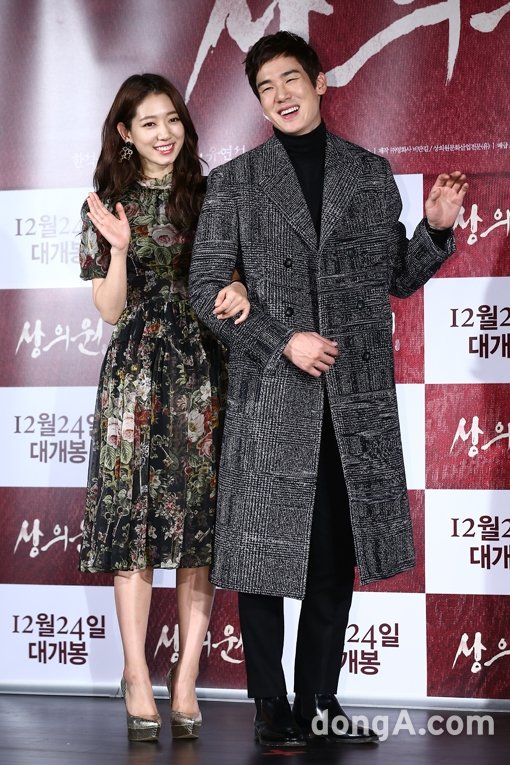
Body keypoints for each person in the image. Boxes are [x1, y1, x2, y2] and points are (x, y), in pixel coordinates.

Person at [189, 32, 468, 748]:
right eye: (265, 88)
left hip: (352, 400)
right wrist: (282, 338)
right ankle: (269, 705)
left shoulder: (369, 175)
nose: (280, 95)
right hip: (271, 393)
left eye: (291, 79)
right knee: (262, 552)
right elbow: (205, 286)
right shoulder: (235, 182)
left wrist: (435, 232)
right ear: (259, 103)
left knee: (334, 555)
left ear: (319, 81)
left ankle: (319, 700)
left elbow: (395, 277)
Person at [78, 73, 249, 743]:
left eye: (172, 118)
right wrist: (120, 250)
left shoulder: (210, 196)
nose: (164, 132)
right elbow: (109, 308)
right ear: (126, 132)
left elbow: (237, 278)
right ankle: (134, 674)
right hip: (135, 379)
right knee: (136, 524)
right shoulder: (106, 203)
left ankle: (186, 675)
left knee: (198, 528)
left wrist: (238, 287)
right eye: (148, 122)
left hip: (204, 374)